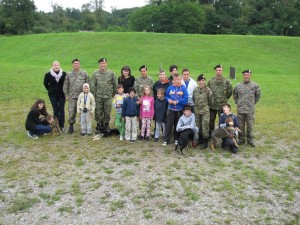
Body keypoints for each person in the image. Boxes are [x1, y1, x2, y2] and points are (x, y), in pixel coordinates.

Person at [233, 69, 261, 147]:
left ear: (250, 76)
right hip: (240, 109)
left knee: (250, 125)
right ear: (243, 76)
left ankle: (250, 140)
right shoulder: (238, 86)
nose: (246, 76)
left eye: (247, 75)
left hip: (250, 110)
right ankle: (241, 139)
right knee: (240, 125)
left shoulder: (255, 86)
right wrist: (238, 103)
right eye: (245, 75)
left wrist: (252, 103)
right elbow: (235, 95)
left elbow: (258, 96)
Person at [90, 58, 117, 133]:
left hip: (108, 96)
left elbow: (115, 84)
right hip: (98, 96)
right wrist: (93, 95)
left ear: (106, 64)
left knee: (107, 111)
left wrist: (113, 93)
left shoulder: (111, 73)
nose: (103, 65)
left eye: (104, 63)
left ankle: (106, 125)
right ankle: (99, 125)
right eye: (101, 63)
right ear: (99, 64)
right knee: (98, 111)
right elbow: (92, 85)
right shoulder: (95, 73)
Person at [63, 59, 90, 134]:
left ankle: (83, 128)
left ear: (79, 64)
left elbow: (88, 83)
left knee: (83, 112)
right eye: (74, 63)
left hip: (82, 96)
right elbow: (66, 85)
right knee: (72, 111)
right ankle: (71, 126)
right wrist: (66, 95)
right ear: (72, 64)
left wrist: (88, 95)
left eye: (77, 63)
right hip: (72, 96)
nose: (76, 65)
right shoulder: (69, 74)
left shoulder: (84, 73)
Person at [163, 73, 188, 146]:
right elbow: (166, 96)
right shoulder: (170, 87)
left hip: (179, 109)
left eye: (178, 80)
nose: (177, 81)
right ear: (173, 80)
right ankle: (166, 139)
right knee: (169, 125)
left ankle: (176, 139)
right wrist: (169, 100)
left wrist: (178, 101)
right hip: (171, 109)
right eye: (175, 80)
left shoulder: (183, 88)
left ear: (180, 80)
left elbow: (185, 99)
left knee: (178, 125)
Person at [207, 64, 233, 137]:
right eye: (217, 70)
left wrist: (224, 99)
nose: (218, 71)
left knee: (222, 122)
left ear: (222, 71)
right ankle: (211, 136)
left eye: (220, 70)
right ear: (215, 71)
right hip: (212, 105)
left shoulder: (226, 81)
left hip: (223, 106)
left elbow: (230, 92)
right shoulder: (210, 81)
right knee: (211, 122)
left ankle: (223, 136)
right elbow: (208, 92)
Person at [44, 61, 66, 130]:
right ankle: (57, 125)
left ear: (59, 66)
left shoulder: (64, 74)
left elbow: (66, 83)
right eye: (55, 65)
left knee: (61, 109)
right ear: (52, 66)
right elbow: (45, 84)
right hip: (52, 95)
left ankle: (62, 125)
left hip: (62, 95)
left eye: (57, 65)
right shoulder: (48, 74)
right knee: (55, 109)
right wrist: (50, 90)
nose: (56, 66)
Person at [192, 74, 212, 149]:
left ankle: (205, 141)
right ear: (197, 82)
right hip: (197, 111)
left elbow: (211, 101)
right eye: (200, 81)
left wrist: (205, 107)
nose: (201, 82)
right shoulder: (195, 90)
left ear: (204, 81)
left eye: (203, 80)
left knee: (205, 127)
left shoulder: (208, 90)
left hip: (205, 112)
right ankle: (200, 139)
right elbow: (194, 99)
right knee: (198, 126)